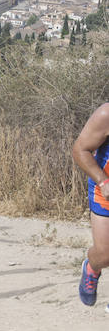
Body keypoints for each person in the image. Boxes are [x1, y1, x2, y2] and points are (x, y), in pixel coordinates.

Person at [72, 103, 109, 308]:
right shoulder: (106, 114)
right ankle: (92, 267)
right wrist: (102, 181)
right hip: (105, 189)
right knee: (105, 254)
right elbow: (80, 150)